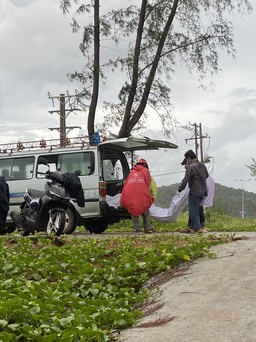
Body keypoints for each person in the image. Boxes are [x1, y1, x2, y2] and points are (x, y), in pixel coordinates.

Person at [120, 158, 154, 233]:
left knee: (133, 210)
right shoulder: (145, 171)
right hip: (141, 193)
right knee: (145, 209)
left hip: (130, 193)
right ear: (145, 165)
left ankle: (138, 229)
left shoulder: (131, 172)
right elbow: (148, 183)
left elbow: (126, 183)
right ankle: (148, 228)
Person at [178, 150, 209, 233]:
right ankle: (191, 226)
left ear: (188, 158)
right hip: (203, 190)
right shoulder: (202, 165)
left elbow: (186, 179)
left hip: (195, 191)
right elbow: (207, 175)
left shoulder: (191, 167)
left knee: (193, 210)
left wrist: (180, 189)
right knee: (199, 208)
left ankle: (197, 227)